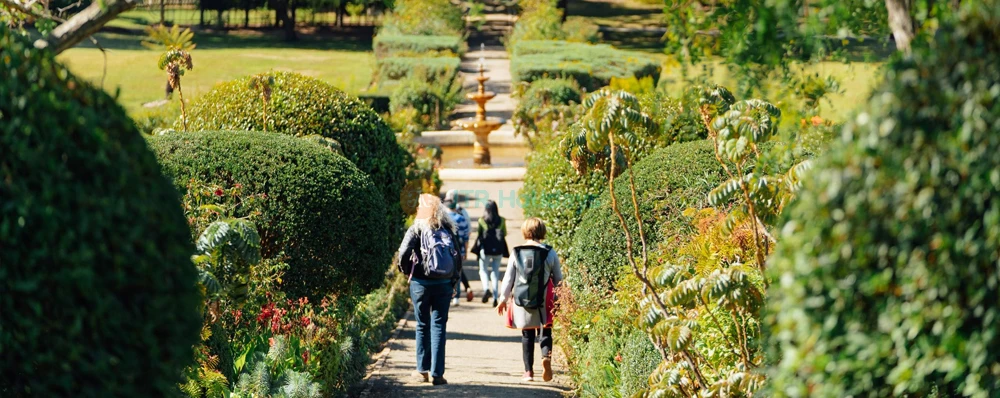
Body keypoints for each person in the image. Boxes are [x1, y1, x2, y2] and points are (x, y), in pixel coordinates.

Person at [397, 194, 459, 386]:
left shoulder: (416, 228)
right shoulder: (447, 229)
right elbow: (457, 257)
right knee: (439, 326)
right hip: (444, 283)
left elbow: (404, 252)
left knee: (422, 325)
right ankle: (438, 374)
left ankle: (422, 371)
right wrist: (453, 281)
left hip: (420, 284)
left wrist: (408, 272)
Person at [496, 217, 562, 382]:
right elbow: (558, 279)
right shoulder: (549, 252)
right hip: (545, 297)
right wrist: (559, 298)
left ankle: (528, 372)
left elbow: (509, 278)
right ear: (542, 232)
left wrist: (503, 298)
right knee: (546, 330)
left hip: (522, 298)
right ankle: (546, 356)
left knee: (527, 334)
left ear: (525, 231)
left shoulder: (517, 252)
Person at [471, 200, 508, 307]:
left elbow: (479, 234)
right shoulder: (502, 220)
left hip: (485, 250)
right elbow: (504, 233)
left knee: (483, 270)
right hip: (498, 250)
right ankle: (495, 297)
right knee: (495, 272)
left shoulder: (482, 221)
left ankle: (486, 288)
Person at [443, 189, 473, 305]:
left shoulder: (442, 218)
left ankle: (448, 294)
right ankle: (457, 296)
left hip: (445, 250)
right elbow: (466, 236)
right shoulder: (461, 217)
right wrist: (465, 250)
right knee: (458, 273)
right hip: (458, 250)